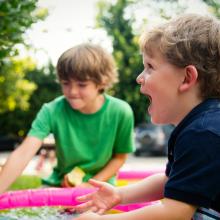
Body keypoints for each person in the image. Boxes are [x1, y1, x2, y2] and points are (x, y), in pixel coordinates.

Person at [73, 14, 220, 220]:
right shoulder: (200, 126)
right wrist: (119, 194)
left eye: (150, 67)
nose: (139, 77)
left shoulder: (204, 133)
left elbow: (174, 213)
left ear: (187, 78)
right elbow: (170, 181)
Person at [0, 43, 135, 192]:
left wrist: (90, 184)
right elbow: (23, 153)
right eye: (65, 83)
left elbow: (119, 157)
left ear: (101, 82)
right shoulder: (51, 110)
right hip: (60, 184)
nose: (72, 91)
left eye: (82, 84)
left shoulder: (121, 111)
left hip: (101, 186)